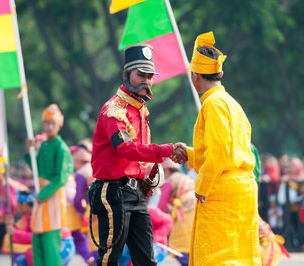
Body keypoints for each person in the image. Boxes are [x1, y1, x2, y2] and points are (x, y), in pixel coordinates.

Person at [88, 43, 185, 266]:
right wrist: (168, 150)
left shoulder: (140, 110)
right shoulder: (115, 109)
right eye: (140, 74)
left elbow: (141, 155)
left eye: (150, 76)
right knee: (109, 259)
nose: (147, 81)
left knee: (146, 259)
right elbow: (125, 149)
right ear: (125, 74)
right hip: (113, 191)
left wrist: (148, 179)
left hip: (135, 192)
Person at [173, 32, 261, 265]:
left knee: (215, 257)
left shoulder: (212, 104)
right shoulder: (232, 103)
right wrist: (190, 155)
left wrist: (202, 186)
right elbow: (229, 150)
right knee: (240, 256)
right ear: (220, 74)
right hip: (243, 189)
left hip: (222, 190)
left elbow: (220, 152)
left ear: (195, 77)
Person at [25, 104, 74, 266]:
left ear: (59, 125)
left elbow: (61, 178)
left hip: (51, 197)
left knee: (50, 245)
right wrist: (30, 151)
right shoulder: (45, 145)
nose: (49, 126)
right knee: (37, 241)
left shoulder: (62, 148)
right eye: (46, 122)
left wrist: (42, 194)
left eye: (53, 123)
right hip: (41, 195)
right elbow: (38, 170)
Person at [157, 158, 195, 266]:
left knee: (179, 245)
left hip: (183, 216)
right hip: (195, 212)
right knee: (191, 244)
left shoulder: (169, 182)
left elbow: (161, 207)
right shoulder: (187, 178)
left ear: (167, 171)